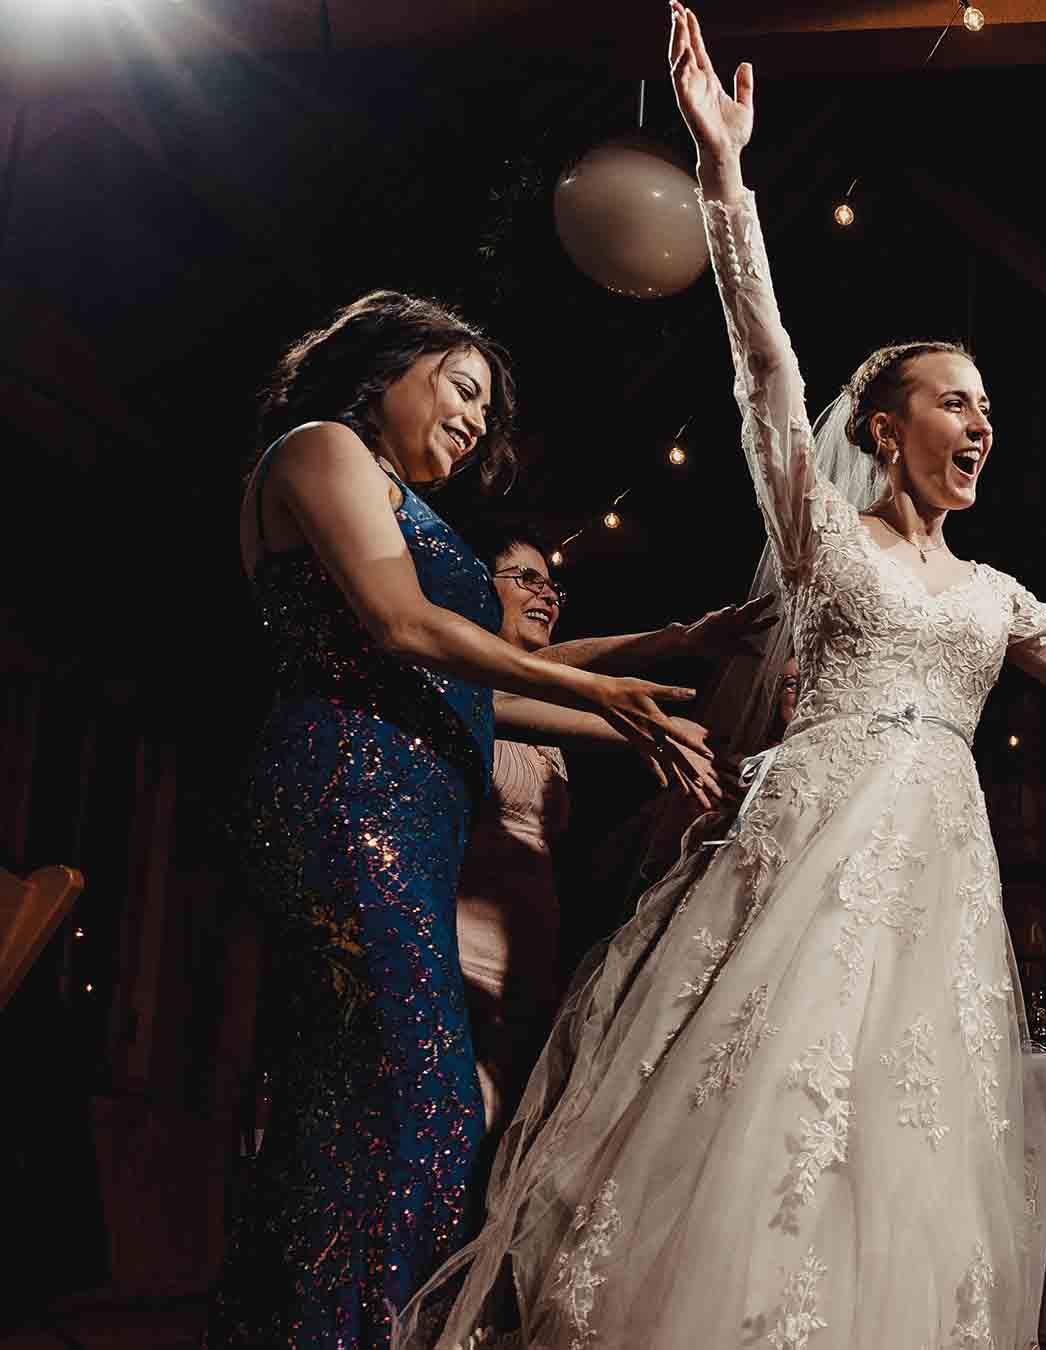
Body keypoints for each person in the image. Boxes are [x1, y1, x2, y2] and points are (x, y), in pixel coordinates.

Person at [395, 8, 1046, 1346]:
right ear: (882, 423)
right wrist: (728, 179)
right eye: (954, 398)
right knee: (770, 1103)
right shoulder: (821, 538)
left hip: (939, 871)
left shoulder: (995, 595)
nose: (980, 419)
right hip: (812, 846)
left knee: (896, 1135)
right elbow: (763, 370)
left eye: (987, 405)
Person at [213, 293, 707, 1349]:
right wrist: (607, 694)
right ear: (387, 364)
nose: (479, 421)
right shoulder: (321, 448)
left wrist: (640, 717)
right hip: (348, 794)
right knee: (429, 1107)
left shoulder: (396, 491)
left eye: (487, 407)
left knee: (345, 1109)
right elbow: (398, 624)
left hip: (408, 819)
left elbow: (480, 694)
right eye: (463, 387)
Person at [452, 529, 760, 1130]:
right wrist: (649, 729)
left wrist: (681, 639)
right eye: (525, 578)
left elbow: (546, 668)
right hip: (459, 953)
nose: (546, 594)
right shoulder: (461, 685)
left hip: (529, 964)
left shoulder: (531, 693)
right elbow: (513, 685)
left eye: (551, 584)